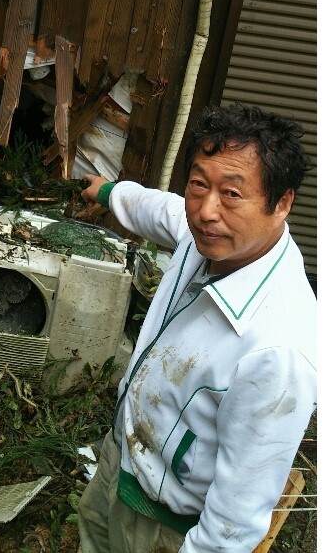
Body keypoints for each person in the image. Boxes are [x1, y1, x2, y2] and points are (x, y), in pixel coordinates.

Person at [77, 102, 317, 553]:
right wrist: (109, 192)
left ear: (282, 202)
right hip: (119, 463)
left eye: (231, 194)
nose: (206, 210)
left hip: (165, 526)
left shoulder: (279, 352)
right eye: (198, 185)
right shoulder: (210, 236)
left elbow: (234, 521)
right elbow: (160, 208)